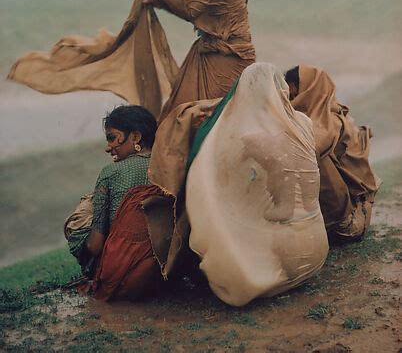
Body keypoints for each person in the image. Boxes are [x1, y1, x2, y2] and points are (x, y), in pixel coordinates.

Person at [184, 62, 328, 306]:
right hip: (318, 251)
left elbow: (218, 172)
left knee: (222, 228)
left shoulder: (250, 138)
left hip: (287, 258)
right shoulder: (304, 123)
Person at [65, 105, 165, 301]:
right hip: (162, 274)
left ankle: (93, 276)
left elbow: (95, 246)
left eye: (112, 138)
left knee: (83, 213)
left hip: (118, 278)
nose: (107, 147)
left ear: (135, 137)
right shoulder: (170, 167)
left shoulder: (110, 173)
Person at [284, 65, 380, 242]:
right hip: (344, 216)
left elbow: (306, 150)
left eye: (292, 88)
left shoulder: (329, 121)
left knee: (305, 154)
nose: (289, 95)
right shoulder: (324, 116)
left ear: (309, 88)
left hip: (347, 225)